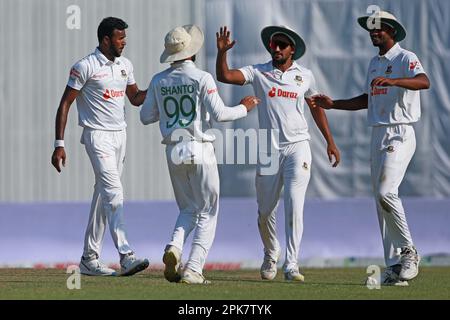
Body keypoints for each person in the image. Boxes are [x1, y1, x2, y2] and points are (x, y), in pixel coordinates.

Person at [311, 11, 430, 286]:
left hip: (400, 131)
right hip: (378, 132)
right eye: (371, 29)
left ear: (392, 32)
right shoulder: (374, 63)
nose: (373, 33)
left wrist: (395, 81)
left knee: (386, 192)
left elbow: (424, 81)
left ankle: (410, 252)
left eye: (378, 29)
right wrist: (334, 104)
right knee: (380, 200)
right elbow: (368, 99)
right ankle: (395, 266)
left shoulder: (405, 57)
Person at [216, 25, 340, 281]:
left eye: (282, 45)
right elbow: (225, 76)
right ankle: (271, 252)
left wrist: (330, 141)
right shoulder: (259, 71)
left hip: (298, 146)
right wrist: (221, 54)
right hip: (269, 149)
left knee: (295, 203)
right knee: (264, 212)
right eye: (274, 44)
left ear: (292, 50)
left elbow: (316, 107)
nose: (277, 48)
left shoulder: (304, 75)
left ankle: (291, 264)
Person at [140, 25, 259, 284]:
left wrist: (170, 113)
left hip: (173, 150)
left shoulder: (159, 80)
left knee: (189, 208)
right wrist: (244, 107)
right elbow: (220, 115)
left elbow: (145, 116)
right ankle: (193, 269)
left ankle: (174, 246)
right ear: (191, 52)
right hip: (198, 146)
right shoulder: (202, 78)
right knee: (208, 211)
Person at [51, 17, 149, 276]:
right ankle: (126, 256)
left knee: (103, 195)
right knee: (114, 192)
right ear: (106, 40)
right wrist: (59, 144)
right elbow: (65, 104)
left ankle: (89, 258)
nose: (124, 42)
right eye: (120, 38)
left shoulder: (125, 65)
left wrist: (161, 88)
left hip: (121, 137)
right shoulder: (85, 66)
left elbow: (136, 98)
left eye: (124, 37)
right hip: (97, 136)